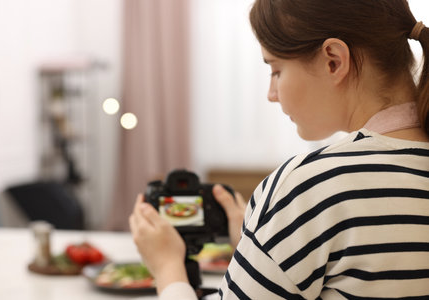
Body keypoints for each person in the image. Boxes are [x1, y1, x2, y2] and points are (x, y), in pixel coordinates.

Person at [129, 0, 429, 298]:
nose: (271, 94)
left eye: (276, 70)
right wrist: (264, 248)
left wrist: (166, 266)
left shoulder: (309, 187)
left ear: (333, 61)